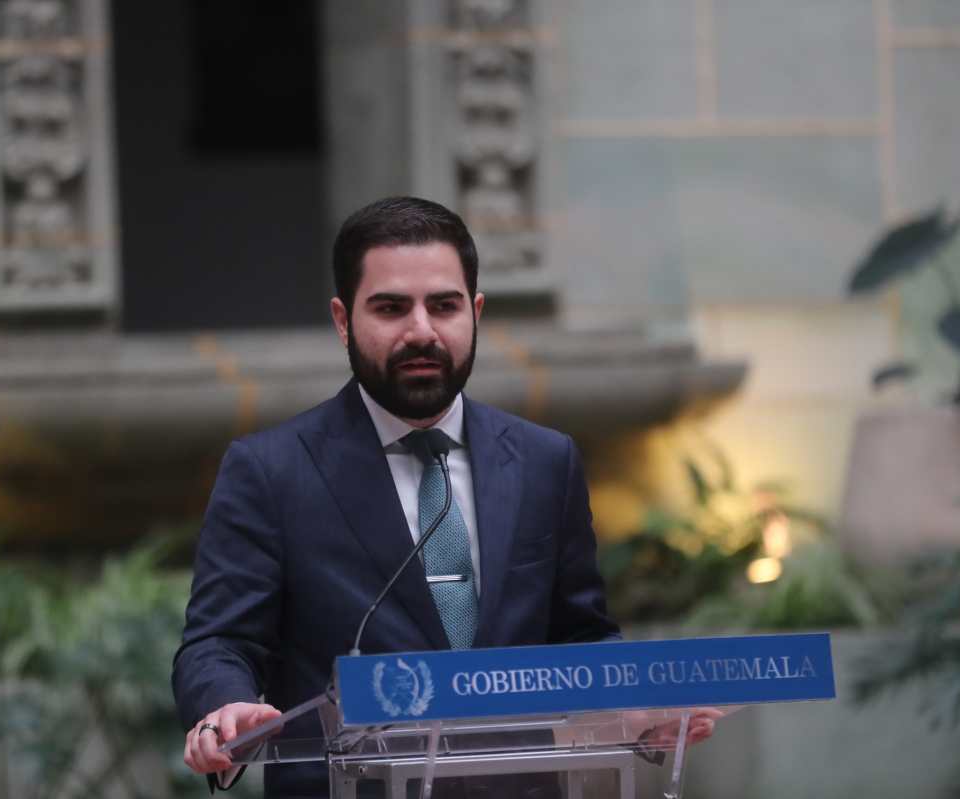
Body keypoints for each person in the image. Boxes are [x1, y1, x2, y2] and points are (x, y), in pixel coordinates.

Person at [172, 196, 713, 797]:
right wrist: (225, 707)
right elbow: (219, 642)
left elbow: (581, 636)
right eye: (391, 308)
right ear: (343, 320)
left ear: (475, 313)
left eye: (444, 306)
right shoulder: (272, 471)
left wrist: (634, 709)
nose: (422, 332)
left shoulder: (544, 461)